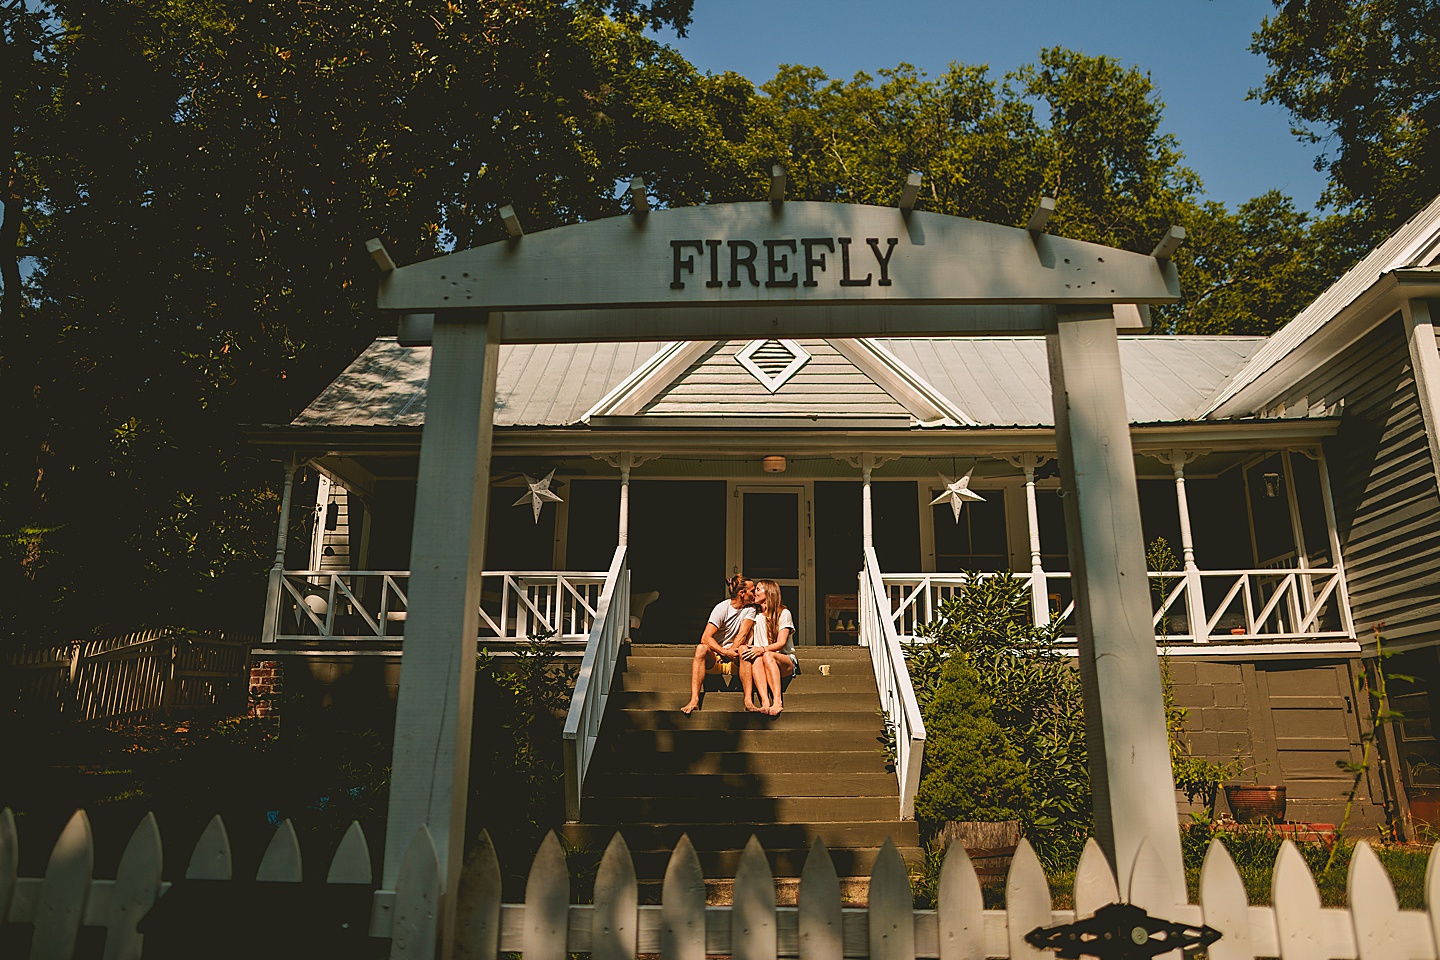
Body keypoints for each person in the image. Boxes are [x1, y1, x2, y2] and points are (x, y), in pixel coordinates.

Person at [680, 575, 756, 715]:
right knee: (701, 648)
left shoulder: (750, 609)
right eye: (752, 590)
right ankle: (694, 700)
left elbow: (742, 634)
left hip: (734, 656)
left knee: (744, 649)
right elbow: (705, 637)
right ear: (742, 593)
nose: (755, 593)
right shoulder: (721, 608)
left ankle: (748, 701)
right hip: (716, 658)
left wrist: (730, 652)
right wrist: (722, 652)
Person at [739, 579, 798, 716]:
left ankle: (777, 701)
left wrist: (763, 649)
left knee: (767, 655)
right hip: (762, 658)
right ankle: (765, 701)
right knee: (758, 658)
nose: (755, 593)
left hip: (784, 659)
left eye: (758, 589)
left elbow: (781, 643)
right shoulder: (755, 616)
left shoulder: (783, 613)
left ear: (769, 592)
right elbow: (749, 640)